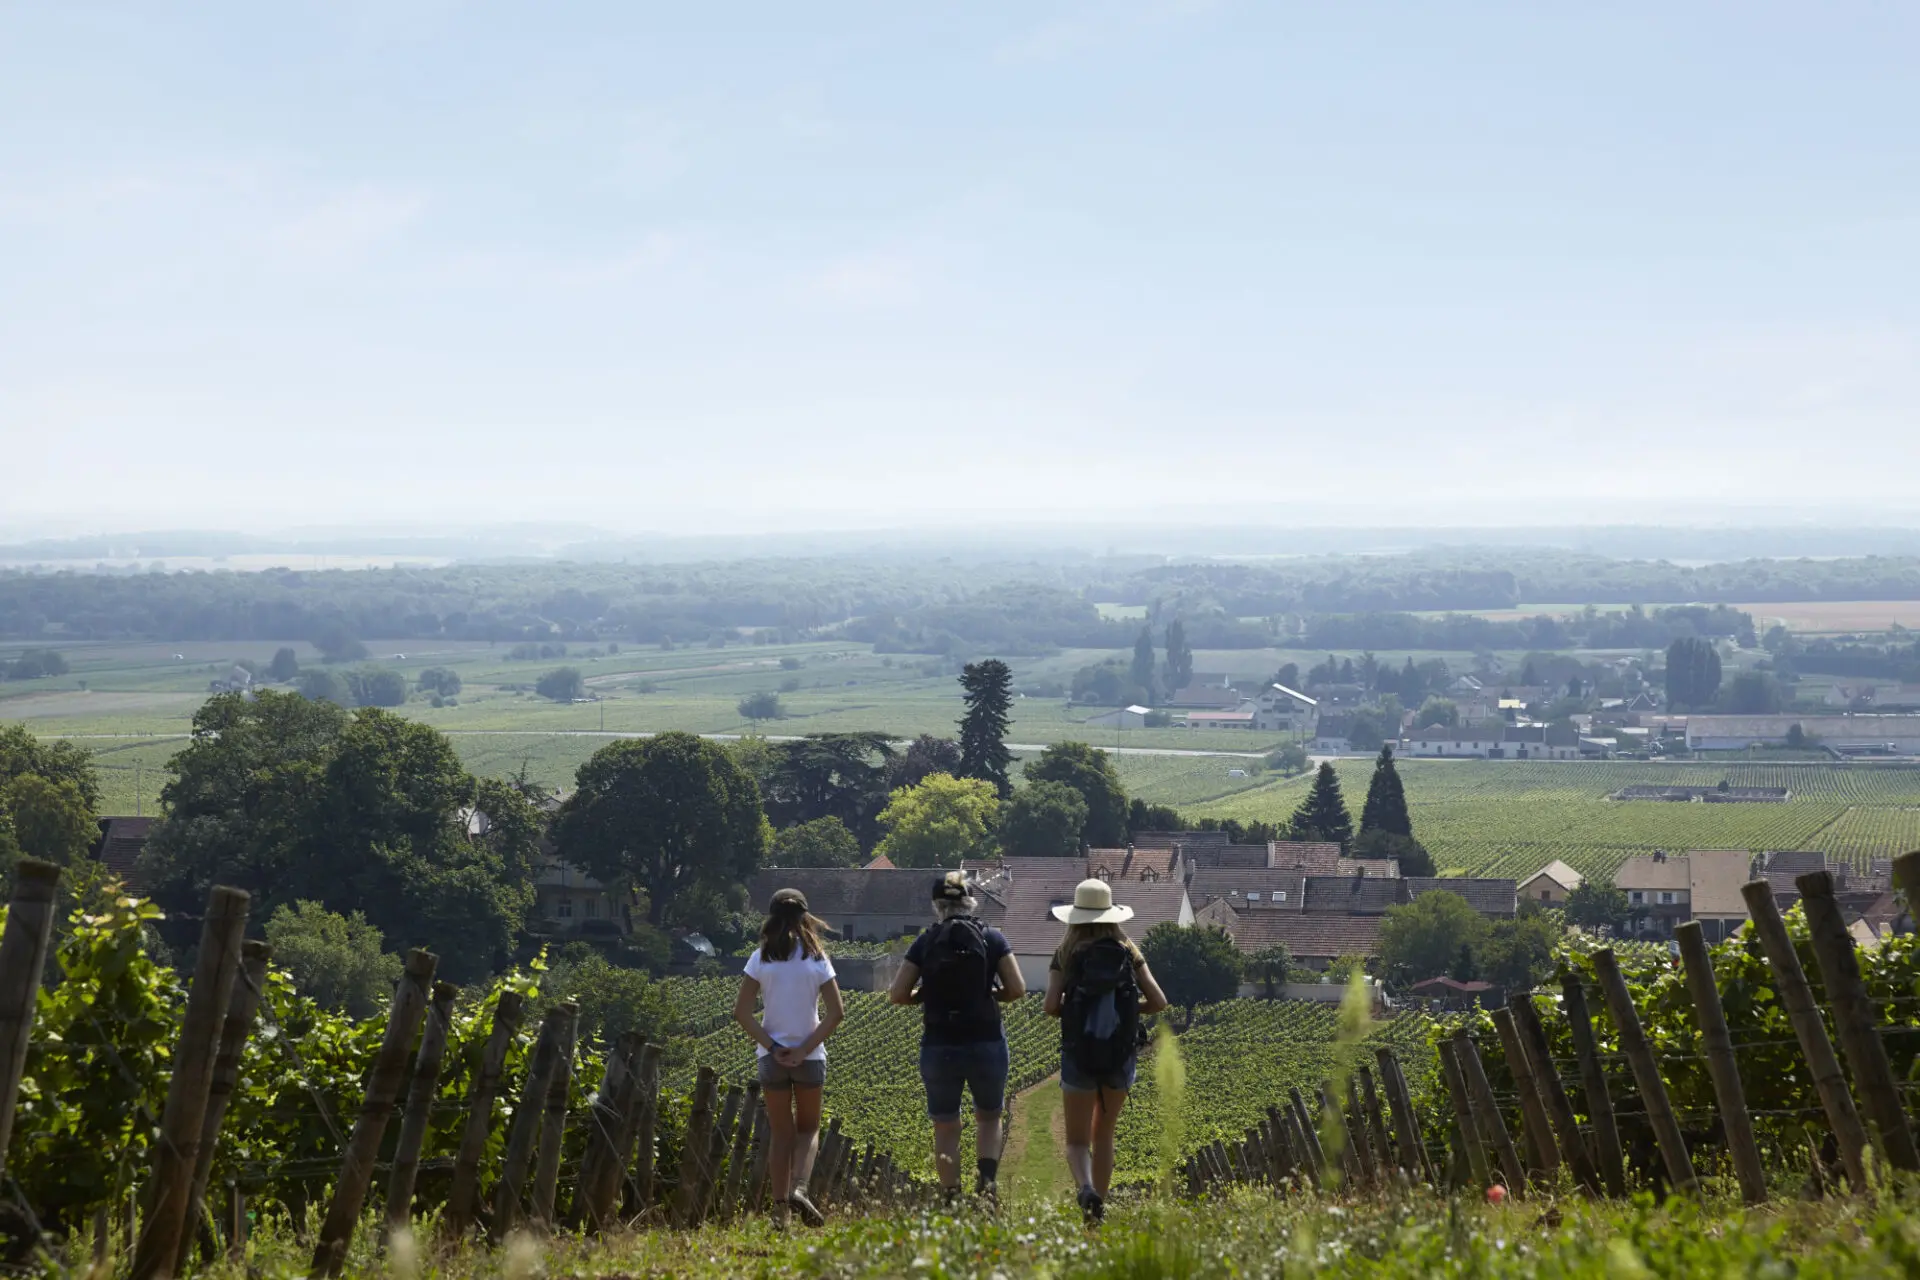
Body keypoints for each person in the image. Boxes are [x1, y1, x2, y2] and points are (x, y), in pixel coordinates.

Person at [887, 870, 1026, 1199]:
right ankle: (987, 1185)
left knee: (946, 1124)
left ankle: (950, 1195)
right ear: (971, 902)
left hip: (940, 1045)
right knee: (989, 1117)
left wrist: (926, 996)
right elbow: (1017, 988)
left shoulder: (925, 942)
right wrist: (989, 995)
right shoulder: (992, 938)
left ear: (937, 905)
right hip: (986, 1041)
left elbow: (897, 994)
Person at [1044, 877, 1169, 1224]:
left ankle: (1085, 1190)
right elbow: (1159, 1001)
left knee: (1076, 1142)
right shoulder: (1128, 951)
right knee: (1105, 1134)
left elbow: (1050, 1005)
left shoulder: (1066, 954)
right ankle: (1098, 1215)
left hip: (1078, 1054)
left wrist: (1075, 1007)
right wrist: (1127, 1012)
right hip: (1120, 1056)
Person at [732, 887, 845, 1226]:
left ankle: (779, 1214)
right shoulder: (817, 958)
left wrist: (773, 1047)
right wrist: (803, 1050)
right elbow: (836, 1013)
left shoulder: (760, 958)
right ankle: (800, 1188)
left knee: (780, 1134)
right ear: (805, 918)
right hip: (809, 1059)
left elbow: (742, 1013)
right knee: (808, 1129)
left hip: (772, 1059)